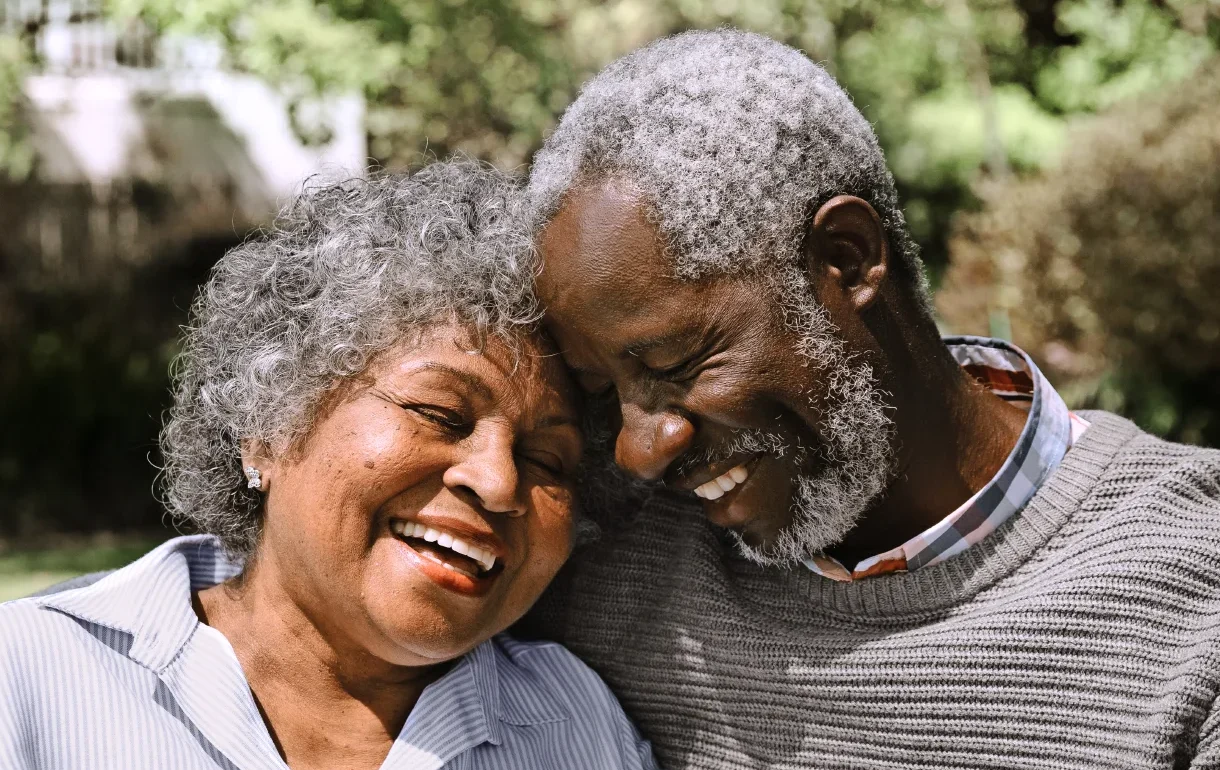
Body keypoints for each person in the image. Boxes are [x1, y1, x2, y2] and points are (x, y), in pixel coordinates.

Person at [523, 29, 1220, 769]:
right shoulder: (605, 573)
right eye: (603, 390)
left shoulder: (1191, 607)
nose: (639, 449)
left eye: (675, 361)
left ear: (847, 258)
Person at [0, 161, 656, 770]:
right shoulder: (29, 678)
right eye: (441, 413)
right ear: (268, 424)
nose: (499, 482)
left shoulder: (576, 728)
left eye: (548, 459)